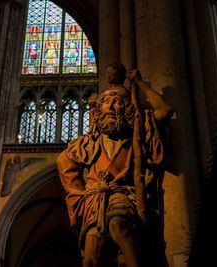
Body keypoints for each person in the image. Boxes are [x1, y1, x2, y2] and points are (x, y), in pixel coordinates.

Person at [57, 61, 174, 267]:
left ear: (126, 106)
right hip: (95, 199)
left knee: (118, 226)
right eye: (106, 102)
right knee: (91, 257)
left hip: (123, 194)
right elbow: (64, 161)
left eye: (117, 102)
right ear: (99, 108)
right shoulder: (90, 140)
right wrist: (79, 193)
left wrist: (139, 84)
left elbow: (165, 110)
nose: (110, 106)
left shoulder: (136, 132)